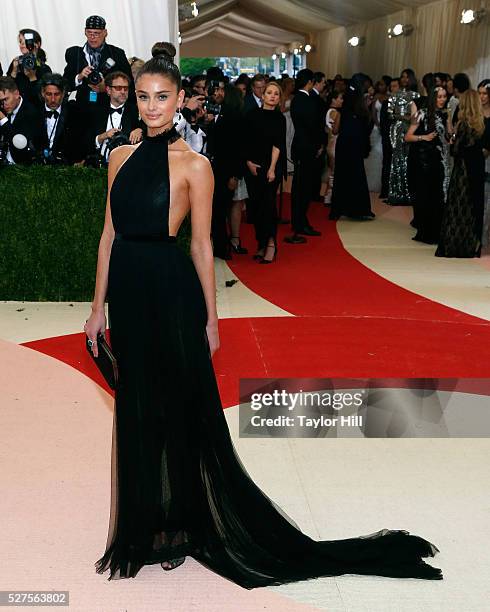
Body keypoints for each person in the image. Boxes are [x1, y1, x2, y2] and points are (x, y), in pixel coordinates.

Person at [85, 45, 443, 588]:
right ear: (134, 99)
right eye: (143, 97)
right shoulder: (118, 158)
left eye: (163, 97)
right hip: (128, 297)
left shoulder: (196, 167)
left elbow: (203, 247)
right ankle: (145, 522)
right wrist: (95, 310)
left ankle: (179, 524)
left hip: (170, 290)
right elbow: (108, 238)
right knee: (135, 406)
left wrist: (210, 318)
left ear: (181, 99)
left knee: (176, 408)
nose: (152, 107)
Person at [436, 90, 489, 258]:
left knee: (457, 209)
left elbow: (456, 151)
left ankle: (454, 246)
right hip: (477, 171)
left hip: (463, 173)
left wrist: (452, 140)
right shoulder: (482, 124)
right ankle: (471, 246)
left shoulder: (463, 125)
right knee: (473, 209)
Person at [245, 81, 286, 263]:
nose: (272, 96)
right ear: (262, 95)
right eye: (269, 92)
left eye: (276, 94)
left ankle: (271, 244)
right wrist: (248, 162)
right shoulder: (252, 115)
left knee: (268, 206)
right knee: (256, 207)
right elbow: (245, 140)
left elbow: (278, 144)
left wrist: (271, 169)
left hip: (271, 168)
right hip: (253, 167)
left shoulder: (280, 118)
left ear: (279, 98)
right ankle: (260, 243)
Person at [405, 83, 450, 244]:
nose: (443, 100)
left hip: (439, 161)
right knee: (426, 197)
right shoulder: (421, 114)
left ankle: (437, 232)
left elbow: (447, 137)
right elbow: (407, 136)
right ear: (433, 98)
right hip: (424, 162)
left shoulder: (444, 115)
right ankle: (426, 232)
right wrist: (423, 137)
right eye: (439, 97)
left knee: (438, 198)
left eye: (445, 96)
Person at [63, 15, 133, 111]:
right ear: (85, 32)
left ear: (105, 33)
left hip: (109, 107)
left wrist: (107, 87)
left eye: (96, 33)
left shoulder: (116, 54)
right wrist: (79, 77)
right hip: (82, 109)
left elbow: (129, 83)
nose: (92, 37)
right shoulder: (75, 54)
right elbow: (64, 84)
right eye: (89, 33)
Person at [285, 68, 322, 244]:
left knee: (301, 187)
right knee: (302, 188)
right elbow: (312, 126)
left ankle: (299, 221)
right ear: (309, 83)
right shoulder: (305, 100)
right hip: (306, 148)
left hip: (301, 146)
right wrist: (317, 145)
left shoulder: (297, 100)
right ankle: (299, 223)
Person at [329, 83, 374, 220]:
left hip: (344, 147)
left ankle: (339, 209)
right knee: (357, 177)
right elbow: (367, 132)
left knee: (342, 177)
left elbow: (335, 130)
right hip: (356, 148)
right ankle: (358, 209)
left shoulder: (343, 112)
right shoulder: (363, 112)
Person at [85, 71, 141, 162]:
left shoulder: (134, 110)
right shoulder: (96, 111)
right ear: (108, 90)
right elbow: (86, 142)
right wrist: (103, 136)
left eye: (126, 88)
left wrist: (140, 130)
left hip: (126, 164)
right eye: (118, 88)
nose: (123, 92)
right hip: (98, 164)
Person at [387, 69, 420, 205]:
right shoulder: (395, 95)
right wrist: (403, 117)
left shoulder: (416, 95)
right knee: (398, 159)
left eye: (407, 77)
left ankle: (410, 193)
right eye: (402, 77)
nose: (404, 79)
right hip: (398, 129)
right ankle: (397, 193)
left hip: (412, 129)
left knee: (409, 159)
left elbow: (419, 115)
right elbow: (389, 114)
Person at [0, 76, 43, 164]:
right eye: (0, 102)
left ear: (16, 94)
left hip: (23, 166)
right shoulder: (2, 109)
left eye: (6, 99)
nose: (3, 105)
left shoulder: (31, 112)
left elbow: (20, 142)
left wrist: (3, 120)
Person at [7, 29, 52, 108]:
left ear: (37, 44)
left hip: (36, 110)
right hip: (18, 109)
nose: (22, 44)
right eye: (21, 42)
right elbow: (7, 90)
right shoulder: (16, 63)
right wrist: (14, 72)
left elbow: (43, 98)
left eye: (26, 42)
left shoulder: (44, 68)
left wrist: (32, 78)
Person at [364, 80, 387, 193]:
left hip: (386, 129)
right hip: (376, 128)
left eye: (383, 84)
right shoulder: (375, 97)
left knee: (383, 154)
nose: (381, 86)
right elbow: (373, 114)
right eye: (379, 84)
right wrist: (379, 125)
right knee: (375, 152)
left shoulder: (388, 97)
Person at [323, 89, 343, 205]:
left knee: (332, 171)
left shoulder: (329, 111)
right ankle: (329, 197)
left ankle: (328, 196)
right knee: (334, 173)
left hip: (330, 143)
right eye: (340, 98)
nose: (342, 100)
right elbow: (335, 131)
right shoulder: (335, 113)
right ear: (333, 100)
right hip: (335, 144)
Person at [478, 79, 490, 249]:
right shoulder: (476, 113)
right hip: (477, 158)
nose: (482, 97)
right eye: (479, 93)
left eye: (485, 93)